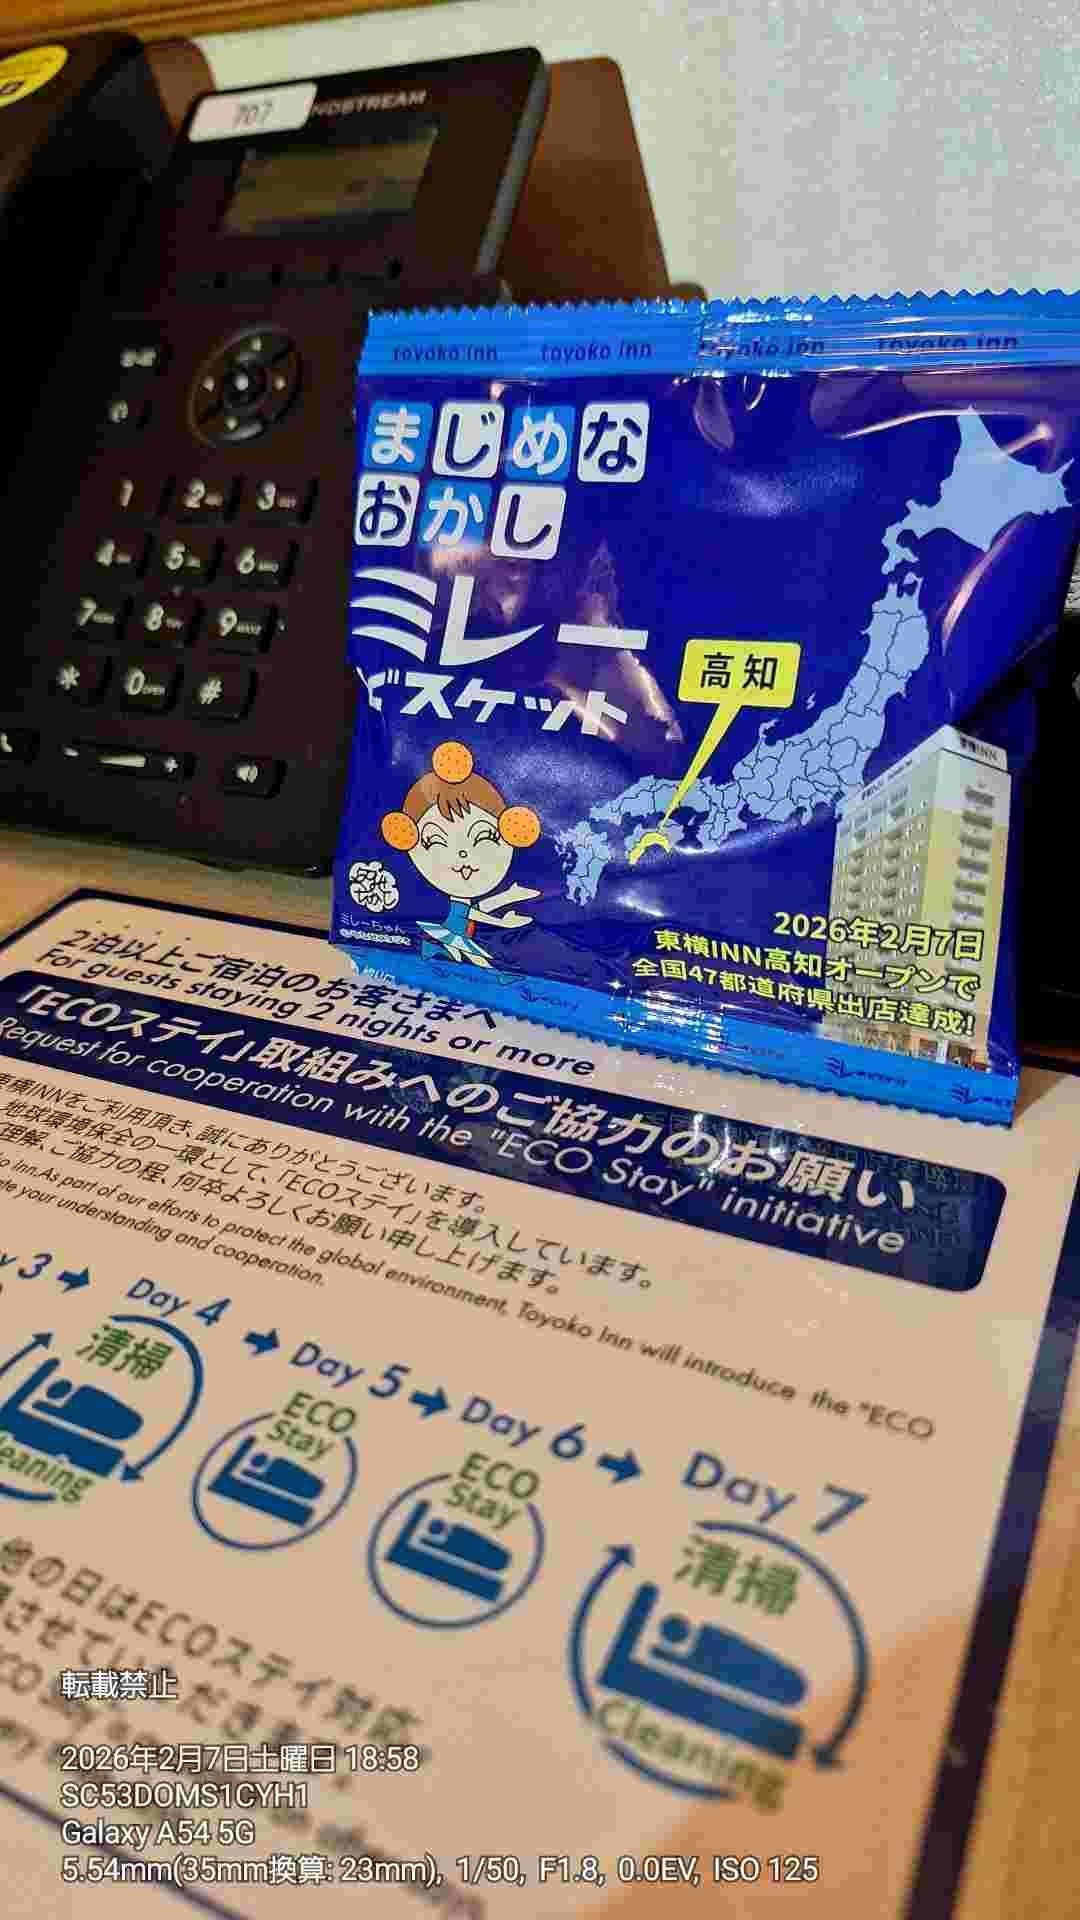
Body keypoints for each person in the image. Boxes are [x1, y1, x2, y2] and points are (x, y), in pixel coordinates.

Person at [381, 741, 541, 966]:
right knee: (475, 955)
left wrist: (508, 897)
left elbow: (476, 908)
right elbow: (471, 913)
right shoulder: (459, 901)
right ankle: (496, 976)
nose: (464, 854)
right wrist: (503, 923)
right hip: (453, 933)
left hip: (457, 933)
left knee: (467, 955)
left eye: (484, 837)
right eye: (435, 841)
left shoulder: (461, 898)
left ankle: (436, 955)